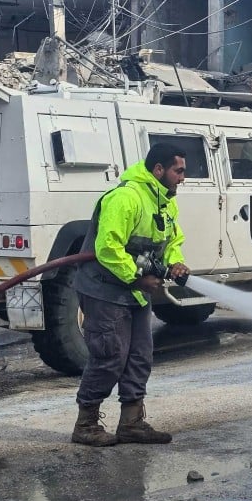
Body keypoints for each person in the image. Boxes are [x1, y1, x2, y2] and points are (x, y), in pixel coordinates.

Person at [71, 142, 191, 446]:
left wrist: (174, 261)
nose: (183, 178)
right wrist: (137, 280)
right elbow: (107, 248)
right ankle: (85, 425)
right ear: (159, 170)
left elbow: (171, 239)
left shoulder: (165, 201)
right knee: (110, 355)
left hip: (134, 290)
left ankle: (132, 423)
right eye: (179, 171)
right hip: (105, 289)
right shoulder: (125, 198)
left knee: (139, 356)